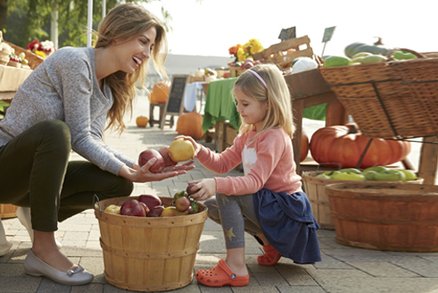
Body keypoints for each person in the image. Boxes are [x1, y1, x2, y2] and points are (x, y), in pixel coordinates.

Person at [0, 3, 193, 286]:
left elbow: (92, 140)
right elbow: (77, 136)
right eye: (142, 41)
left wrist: (137, 169)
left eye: (151, 47)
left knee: (117, 184)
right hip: (5, 165)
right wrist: (127, 168)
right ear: (117, 34)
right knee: (55, 132)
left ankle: (34, 212)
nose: (146, 54)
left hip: (29, 180)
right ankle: (42, 249)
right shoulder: (74, 61)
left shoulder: (107, 91)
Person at [179, 64, 321, 287]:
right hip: (270, 205)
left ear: (269, 102)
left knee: (227, 195)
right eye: (237, 103)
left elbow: (254, 183)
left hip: (287, 212)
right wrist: (198, 149)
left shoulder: (273, 137)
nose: (239, 109)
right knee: (211, 205)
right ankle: (270, 243)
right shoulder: (250, 133)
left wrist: (216, 184)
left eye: (245, 103)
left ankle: (235, 267)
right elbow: (223, 163)